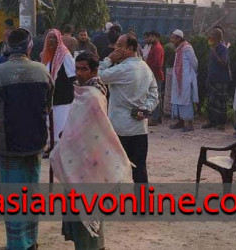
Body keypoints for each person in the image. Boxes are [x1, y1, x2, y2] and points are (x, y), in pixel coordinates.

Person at [0, 28, 53, 250]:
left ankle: (16, 244)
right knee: (31, 192)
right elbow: (47, 106)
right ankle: (30, 242)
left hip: (8, 143)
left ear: (7, 46)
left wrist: (3, 124)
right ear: (30, 46)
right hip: (35, 142)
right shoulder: (42, 71)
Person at [52, 52, 129, 250]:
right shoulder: (85, 91)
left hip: (89, 159)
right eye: (77, 69)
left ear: (94, 70)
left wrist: (67, 140)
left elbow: (91, 129)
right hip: (81, 158)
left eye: (84, 69)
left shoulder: (93, 95)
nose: (79, 73)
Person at [99, 34, 159, 183]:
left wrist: (108, 60)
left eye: (120, 46)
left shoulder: (123, 68)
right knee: (139, 170)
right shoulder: (144, 67)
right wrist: (146, 108)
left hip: (120, 128)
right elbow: (154, 93)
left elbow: (97, 76)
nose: (115, 48)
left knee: (114, 169)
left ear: (130, 48)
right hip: (139, 128)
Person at [40, 29, 76, 151]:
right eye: (49, 38)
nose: (51, 41)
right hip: (50, 96)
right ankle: (51, 147)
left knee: (60, 123)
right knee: (50, 124)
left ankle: (58, 149)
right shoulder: (46, 56)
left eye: (54, 38)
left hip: (62, 97)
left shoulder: (65, 55)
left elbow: (73, 75)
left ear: (59, 40)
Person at [169, 30, 198, 132]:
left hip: (185, 79)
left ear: (178, 38)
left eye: (173, 38)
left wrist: (190, 76)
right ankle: (180, 121)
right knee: (177, 99)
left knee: (186, 100)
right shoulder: (178, 49)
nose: (171, 40)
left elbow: (195, 63)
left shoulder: (187, 47)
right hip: (178, 79)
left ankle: (190, 124)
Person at [205, 28, 231, 130]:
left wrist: (215, 53)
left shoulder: (223, 48)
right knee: (211, 101)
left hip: (220, 79)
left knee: (221, 102)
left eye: (213, 34)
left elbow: (224, 64)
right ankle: (212, 121)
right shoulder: (212, 46)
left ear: (217, 37)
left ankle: (222, 123)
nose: (210, 36)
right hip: (212, 78)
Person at [145, 31, 165, 125]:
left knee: (155, 96)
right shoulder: (154, 47)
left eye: (152, 37)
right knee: (156, 95)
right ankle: (157, 117)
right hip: (154, 74)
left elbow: (157, 63)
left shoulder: (157, 48)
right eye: (149, 36)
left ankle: (155, 118)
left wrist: (150, 73)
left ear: (157, 38)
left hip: (155, 75)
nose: (150, 38)